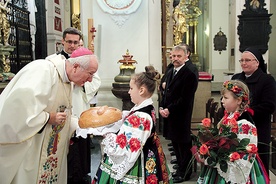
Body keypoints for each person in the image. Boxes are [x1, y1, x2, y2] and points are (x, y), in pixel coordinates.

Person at [0, 47, 98, 183]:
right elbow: (18, 112)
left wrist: (83, 125)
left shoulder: (66, 80)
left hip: (49, 150)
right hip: (32, 149)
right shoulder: (43, 71)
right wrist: (48, 118)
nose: (90, 80)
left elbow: (64, 114)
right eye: (90, 74)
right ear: (75, 67)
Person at [92, 66, 173, 183]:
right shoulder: (145, 108)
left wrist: (108, 135)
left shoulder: (141, 117)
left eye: (131, 88)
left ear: (141, 90)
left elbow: (127, 149)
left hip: (139, 162)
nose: (129, 91)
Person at [197, 80, 270, 183]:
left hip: (236, 165)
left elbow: (244, 154)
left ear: (239, 100)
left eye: (226, 98)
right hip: (224, 162)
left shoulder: (245, 124)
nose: (222, 101)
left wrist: (219, 160)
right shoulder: (228, 117)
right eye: (222, 97)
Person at [232, 47, 276, 175]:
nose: (244, 63)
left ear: (257, 62)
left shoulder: (267, 80)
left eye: (247, 60)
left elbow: (270, 105)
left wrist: (248, 111)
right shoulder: (236, 78)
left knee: (258, 165)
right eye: (242, 60)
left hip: (258, 127)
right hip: (237, 127)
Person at [159, 45, 198, 183]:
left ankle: (185, 172)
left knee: (183, 143)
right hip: (170, 113)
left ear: (186, 56)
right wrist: (162, 106)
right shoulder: (172, 71)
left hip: (181, 113)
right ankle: (180, 168)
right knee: (174, 141)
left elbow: (185, 98)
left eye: (178, 56)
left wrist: (169, 109)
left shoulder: (189, 73)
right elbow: (166, 91)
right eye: (173, 56)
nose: (175, 59)